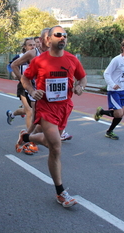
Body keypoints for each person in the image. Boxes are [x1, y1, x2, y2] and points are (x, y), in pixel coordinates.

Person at [19, 26, 87, 207]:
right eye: (58, 35)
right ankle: (61, 192)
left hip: (65, 108)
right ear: (48, 40)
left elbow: (82, 78)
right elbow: (25, 79)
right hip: (46, 108)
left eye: (65, 35)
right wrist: (32, 91)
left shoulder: (72, 59)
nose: (62, 38)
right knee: (56, 147)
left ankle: (26, 137)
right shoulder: (39, 60)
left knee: (51, 143)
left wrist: (80, 87)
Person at [94, 38, 124, 140]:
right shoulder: (116, 60)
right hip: (114, 91)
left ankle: (109, 130)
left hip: (123, 90)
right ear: (123, 48)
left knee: (121, 114)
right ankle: (102, 113)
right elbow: (106, 73)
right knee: (119, 113)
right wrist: (112, 84)